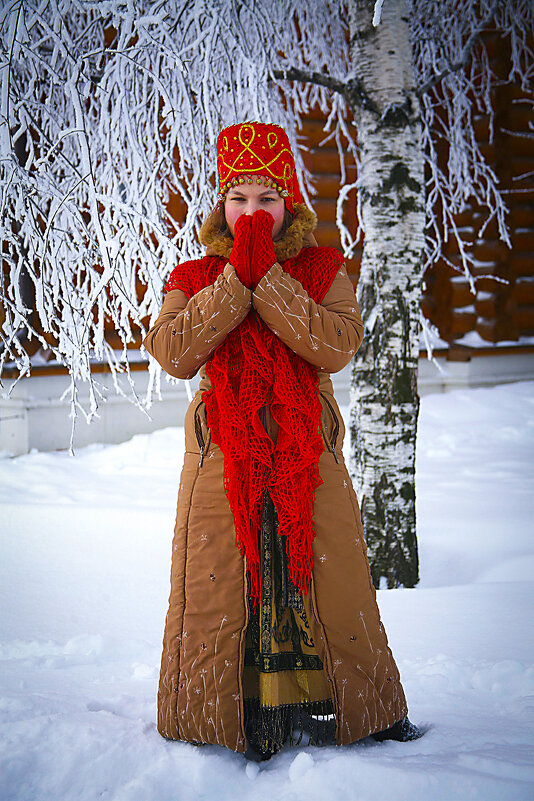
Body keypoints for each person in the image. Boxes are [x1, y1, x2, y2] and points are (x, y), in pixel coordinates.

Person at [143, 121, 421, 760]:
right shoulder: (193, 274)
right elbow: (175, 352)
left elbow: (336, 344)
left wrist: (268, 278)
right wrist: (234, 283)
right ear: (221, 203)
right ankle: (214, 718)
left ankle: (353, 710)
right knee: (219, 583)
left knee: (326, 581)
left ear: (287, 200)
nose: (251, 213)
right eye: (238, 199)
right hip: (223, 460)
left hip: (306, 458)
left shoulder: (325, 268)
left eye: (266, 199)